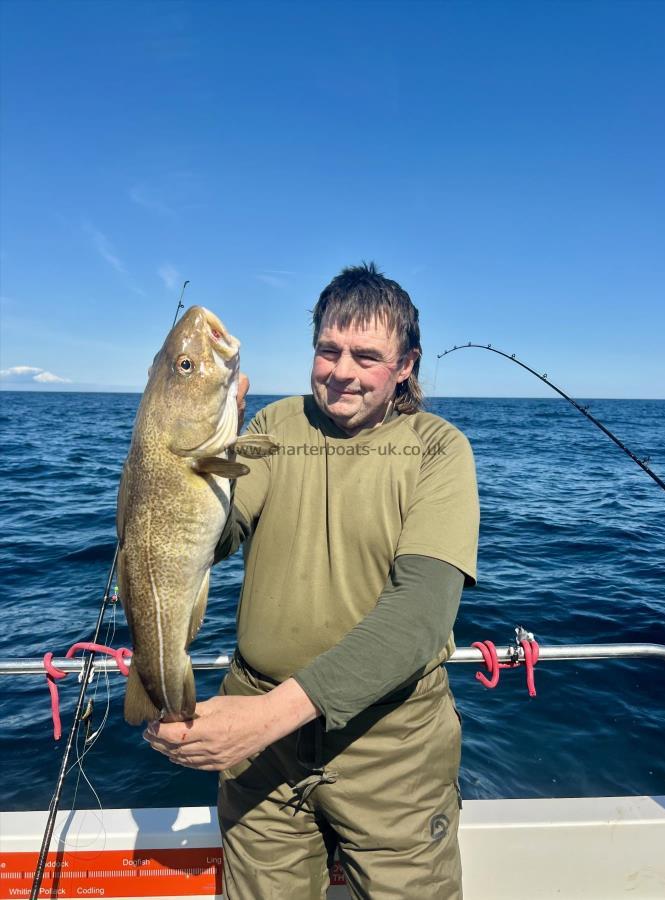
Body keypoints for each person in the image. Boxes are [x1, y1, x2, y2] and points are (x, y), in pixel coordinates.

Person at [144, 263, 479, 899]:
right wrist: (192, 458)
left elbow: (420, 619)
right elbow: (214, 537)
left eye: (367, 355)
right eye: (328, 349)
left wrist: (268, 717)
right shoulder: (272, 427)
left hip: (390, 747)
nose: (342, 371)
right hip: (260, 751)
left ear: (405, 364)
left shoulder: (440, 450)